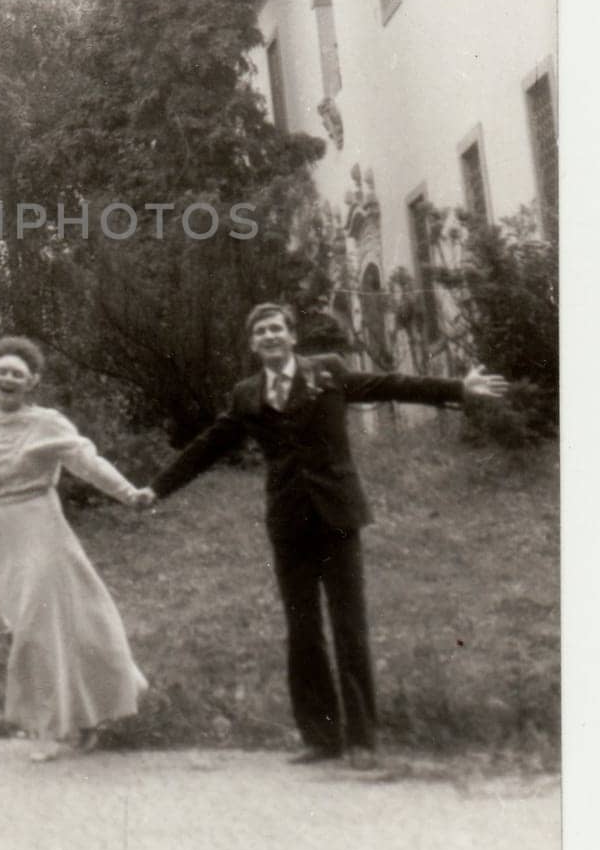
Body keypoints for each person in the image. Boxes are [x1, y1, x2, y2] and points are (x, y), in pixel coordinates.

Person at [151, 302, 509, 768]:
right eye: (260, 331)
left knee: (349, 625)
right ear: (252, 343)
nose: (270, 336)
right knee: (303, 630)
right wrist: (156, 489)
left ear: (292, 335)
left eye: (277, 327)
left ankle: (362, 739)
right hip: (287, 522)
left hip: (338, 515)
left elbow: (391, 384)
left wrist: (458, 387)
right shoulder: (245, 396)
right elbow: (207, 447)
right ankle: (321, 738)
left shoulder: (329, 372)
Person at [0, 336, 156, 761]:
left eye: (17, 373)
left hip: (43, 524)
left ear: (33, 381)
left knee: (36, 626)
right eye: (1, 372)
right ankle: (81, 721)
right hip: (5, 530)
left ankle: (48, 729)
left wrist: (128, 492)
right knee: (40, 626)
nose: (8, 378)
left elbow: (87, 464)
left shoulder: (49, 423)